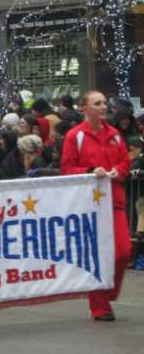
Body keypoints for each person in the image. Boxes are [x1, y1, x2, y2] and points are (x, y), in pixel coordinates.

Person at [60, 90, 132, 321]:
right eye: (98, 103)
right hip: (89, 204)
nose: (103, 107)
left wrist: (116, 172)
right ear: (84, 108)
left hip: (115, 200)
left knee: (123, 252)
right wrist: (91, 172)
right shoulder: (74, 136)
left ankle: (108, 291)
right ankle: (100, 307)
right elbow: (67, 170)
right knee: (97, 256)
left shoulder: (115, 135)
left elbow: (124, 164)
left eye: (104, 103)